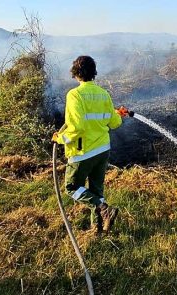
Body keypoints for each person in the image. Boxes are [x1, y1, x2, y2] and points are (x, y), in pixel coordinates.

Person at [52, 56, 129, 234]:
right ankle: (98, 228)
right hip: (102, 150)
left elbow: (77, 126)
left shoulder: (74, 95)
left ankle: (103, 209)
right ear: (94, 72)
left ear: (76, 74)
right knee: (96, 190)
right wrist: (118, 114)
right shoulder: (104, 94)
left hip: (83, 152)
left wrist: (60, 139)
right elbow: (114, 122)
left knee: (71, 188)